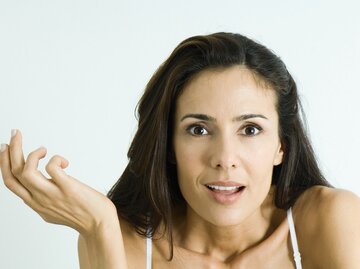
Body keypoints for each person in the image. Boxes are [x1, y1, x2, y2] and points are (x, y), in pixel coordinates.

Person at [1, 32, 360, 269]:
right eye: (198, 129)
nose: (225, 157)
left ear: (281, 146)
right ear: (168, 145)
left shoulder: (330, 220)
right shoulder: (123, 241)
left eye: (250, 129)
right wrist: (99, 227)